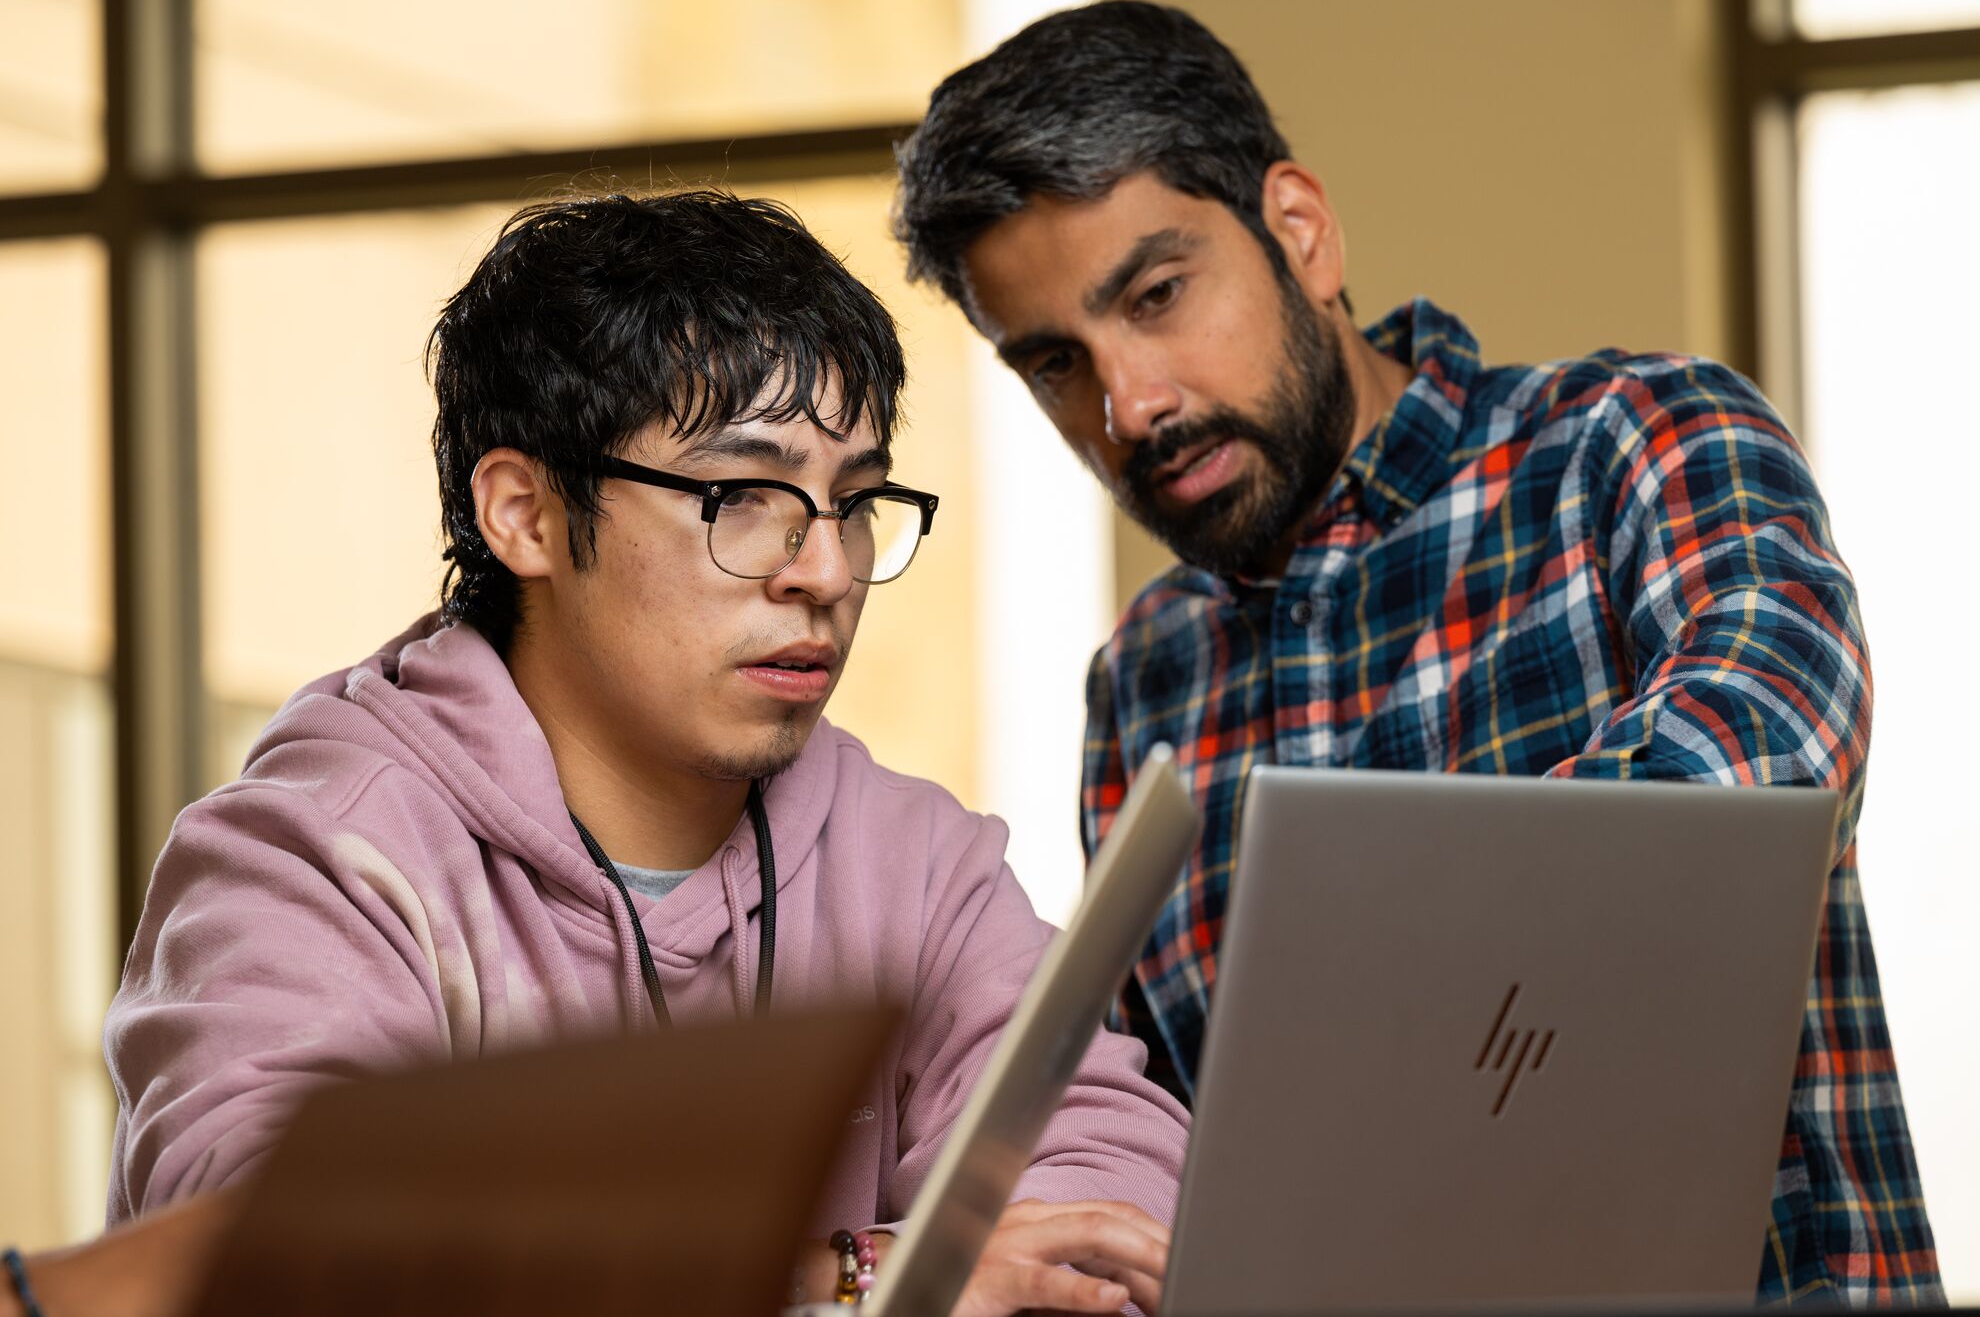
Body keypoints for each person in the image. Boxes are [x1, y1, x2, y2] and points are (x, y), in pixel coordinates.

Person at [891, 1, 1939, 1304]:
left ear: (1302, 231)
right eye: (1055, 363)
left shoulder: (1634, 441)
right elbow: (1172, 1147)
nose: (1131, 405)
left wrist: (1372, 996)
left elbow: (1771, 759)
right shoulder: (1142, 684)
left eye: (1157, 296)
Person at [1, 189, 1186, 1317]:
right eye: (742, 497)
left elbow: (1107, 1175)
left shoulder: (916, 857)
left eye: (855, 503)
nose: (824, 571)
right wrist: (864, 1275)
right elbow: (288, 1269)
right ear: (524, 514)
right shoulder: (311, 856)